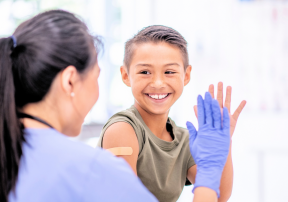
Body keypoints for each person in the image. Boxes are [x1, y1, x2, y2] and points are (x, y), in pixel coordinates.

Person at [0, 10, 230, 202]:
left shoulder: (12, 148)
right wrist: (209, 171)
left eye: (169, 71)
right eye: (96, 76)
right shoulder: (89, 166)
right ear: (70, 80)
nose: (158, 82)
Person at [97, 25, 246, 202]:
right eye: (145, 72)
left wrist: (223, 145)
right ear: (126, 75)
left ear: (186, 75)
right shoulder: (122, 129)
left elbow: (218, 196)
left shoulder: (185, 140)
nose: (158, 83)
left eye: (169, 72)